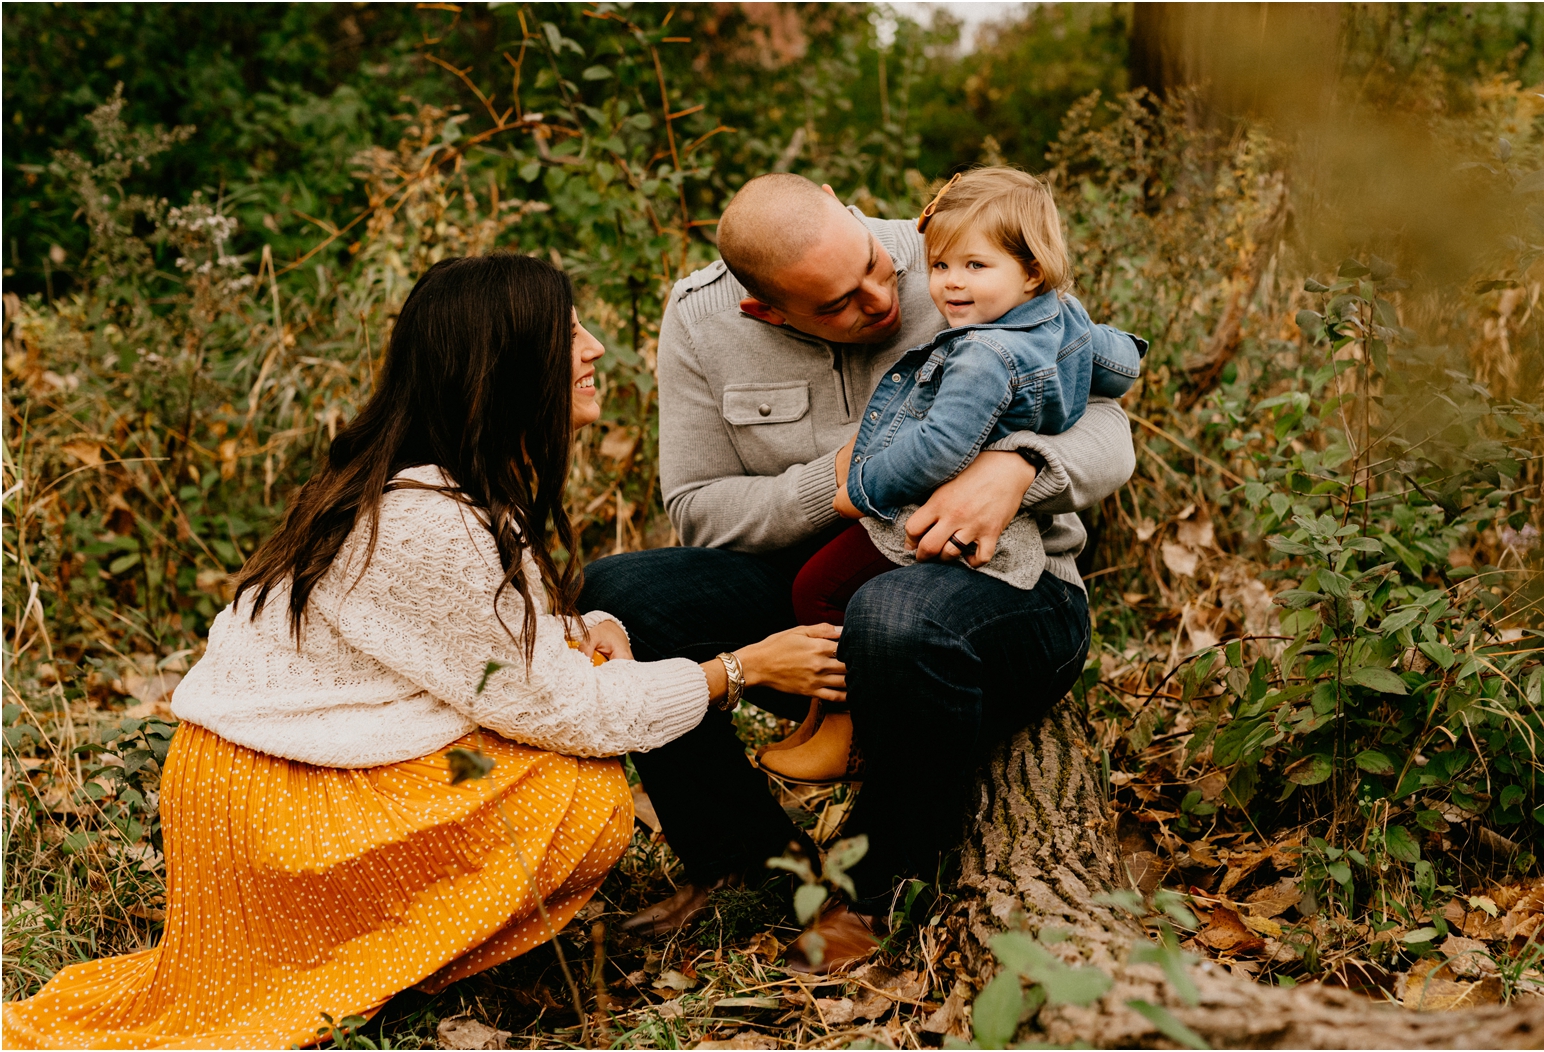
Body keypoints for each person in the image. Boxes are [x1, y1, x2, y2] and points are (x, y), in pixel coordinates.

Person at [1, 254, 845, 1050]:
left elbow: (471, 656)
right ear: (504, 367)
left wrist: (578, 638)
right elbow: (574, 717)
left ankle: (370, 946)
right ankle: (373, 957)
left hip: (268, 774)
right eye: (571, 333)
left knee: (577, 698)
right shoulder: (430, 519)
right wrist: (745, 669)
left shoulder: (428, 488)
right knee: (575, 790)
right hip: (274, 802)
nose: (593, 349)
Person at [582, 173, 1136, 971]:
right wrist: (834, 484)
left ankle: (879, 893)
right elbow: (698, 510)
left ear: (848, 207)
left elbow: (1106, 422)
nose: (883, 299)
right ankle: (751, 867)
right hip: (817, 595)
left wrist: (1018, 465)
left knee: (895, 615)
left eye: (878, 266)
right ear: (765, 310)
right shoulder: (701, 319)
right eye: (840, 304)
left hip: (1005, 594)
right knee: (623, 598)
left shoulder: (954, 255)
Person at [765, 167, 1147, 784]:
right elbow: (1118, 363)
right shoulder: (1066, 321)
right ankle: (819, 717)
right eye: (940, 266)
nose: (950, 285)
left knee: (819, 589)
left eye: (975, 266)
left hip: (939, 512)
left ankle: (843, 722)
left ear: (1031, 272)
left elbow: (939, 447)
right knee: (827, 587)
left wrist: (862, 489)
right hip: (996, 522)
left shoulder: (981, 354)